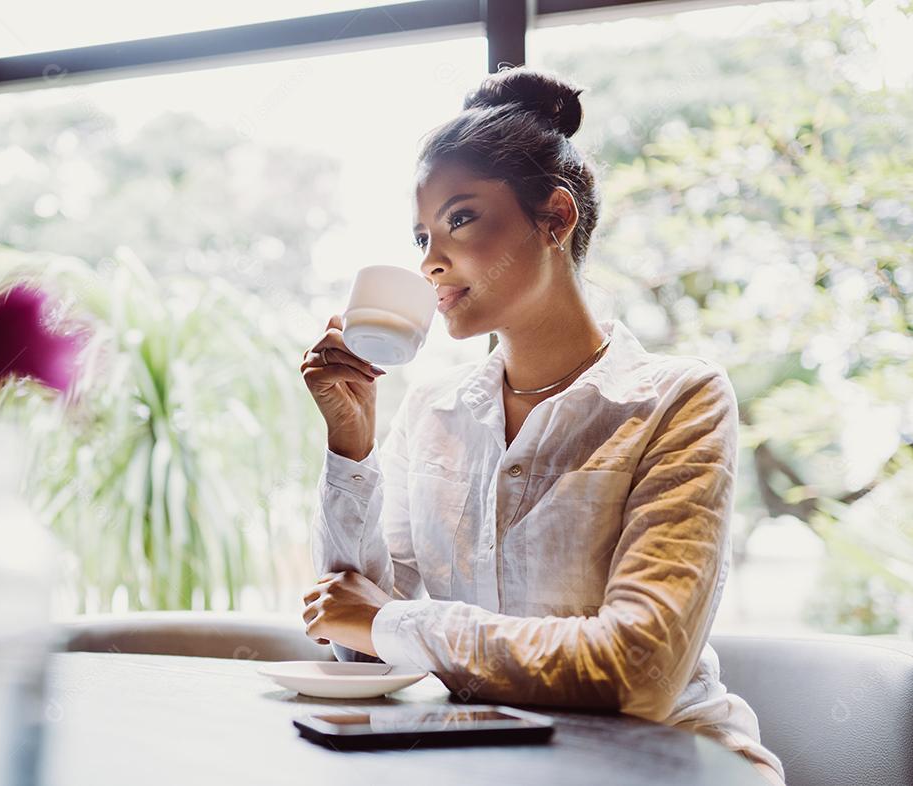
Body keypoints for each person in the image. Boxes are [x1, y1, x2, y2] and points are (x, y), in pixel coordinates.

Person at [298, 66, 785, 785]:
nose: (430, 262)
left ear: (555, 217)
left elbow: (638, 670)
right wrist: (351, 441)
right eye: (421, 235)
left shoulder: (680, 400)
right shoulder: (430, 411)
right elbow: (356, 640)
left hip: (670, 766)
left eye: (461, 219)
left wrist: (389, 624)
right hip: (495, 766)